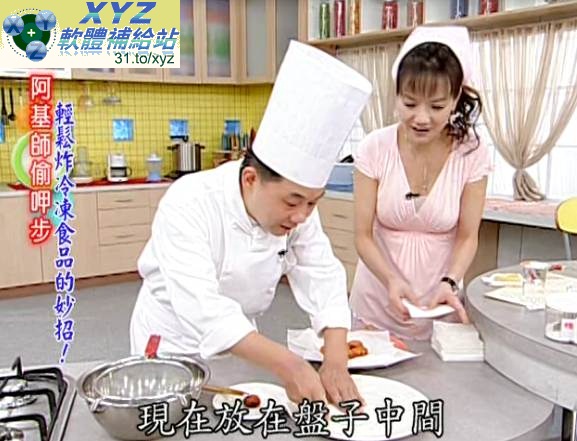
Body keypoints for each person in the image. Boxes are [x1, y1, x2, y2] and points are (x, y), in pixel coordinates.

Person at [129, 40, 373, 404]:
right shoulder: (188, 202)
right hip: (173, 345)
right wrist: (289, 364)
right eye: (293, 201)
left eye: (313, 202)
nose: (302, 215)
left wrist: (335, 361)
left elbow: (323, 274)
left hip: (243, 345)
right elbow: (202, 307)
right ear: (250, 180)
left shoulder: (299, 210)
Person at [350, 26, 492, 340]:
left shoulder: (472, 153)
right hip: (377, 299)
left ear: (455, 99)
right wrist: (391, 280)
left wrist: (450, 281)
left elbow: (468, 237)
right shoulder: (374, 148)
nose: (422, 118)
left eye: (437, 106)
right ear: (396, 95)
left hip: (438, 302)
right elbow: (362, 236)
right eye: (410, 103)